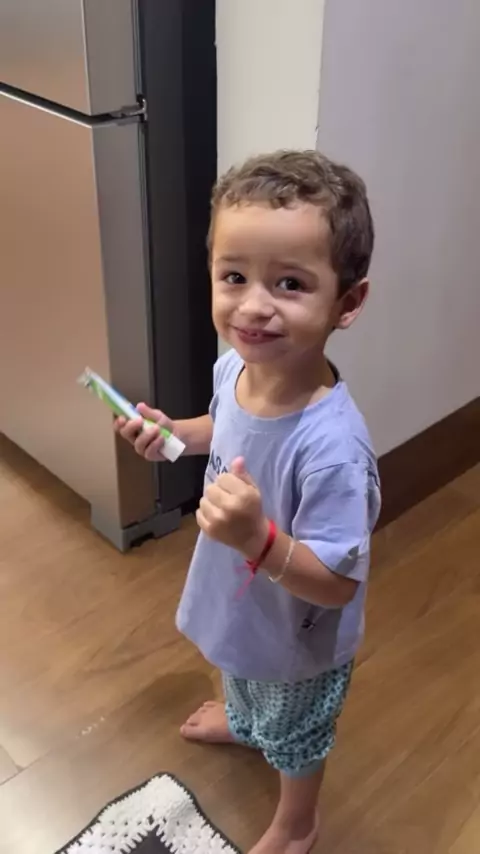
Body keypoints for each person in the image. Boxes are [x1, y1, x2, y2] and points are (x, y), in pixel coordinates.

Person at [115, 150, 381, 854]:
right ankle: (244, 721)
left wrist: (255, 538)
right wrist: (176, 437)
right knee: (240, 673)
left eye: (290, 283)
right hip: (240, 594)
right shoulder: (236, 365)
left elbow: (336, 583)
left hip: (295, 630)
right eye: (234, 276)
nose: (254, 305)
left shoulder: (333, 450)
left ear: (347, 302)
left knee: (294, 728)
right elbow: (226, 428)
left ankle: (298, 823)